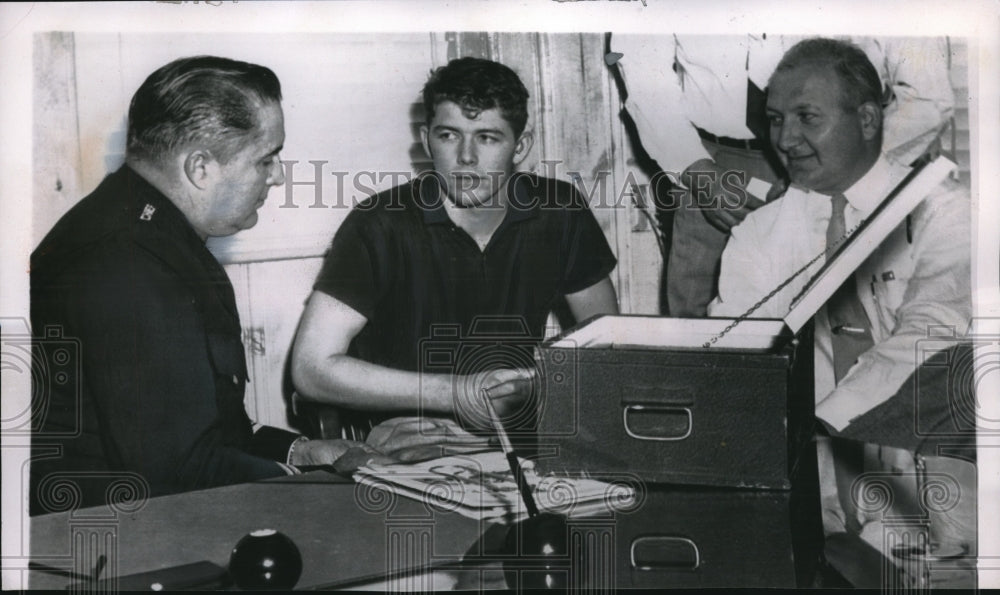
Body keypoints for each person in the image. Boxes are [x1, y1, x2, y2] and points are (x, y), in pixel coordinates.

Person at [30, 56, 386, 515]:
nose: (277, 175)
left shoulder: (148, 230)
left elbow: (210, 430)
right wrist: (317, 484)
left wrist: (299, 451)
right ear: (200, 168)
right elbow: (179, 475)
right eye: (267, 157)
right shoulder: (130, 266)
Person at [708, 39, 974, 585]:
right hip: (810, 505)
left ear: (869, 118)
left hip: (936, 495)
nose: (785, 139)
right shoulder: (758, 234)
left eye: (808, 117)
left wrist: (820, 419)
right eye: (777, 119)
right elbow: (736, 368)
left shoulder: (944, 213)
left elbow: (934, 333)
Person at [291, 57, 619, 456]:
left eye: (487, 137)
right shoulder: (379, 223)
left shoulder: (560, 211)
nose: (466, 157)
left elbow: (608, 350)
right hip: (415, 439)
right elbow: (311, 369)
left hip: (526, 435)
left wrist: (532, 387)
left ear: (522, 145)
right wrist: (456, 394)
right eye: (449, 135)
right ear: (427, 139)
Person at [610, 34, 955, 317]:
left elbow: (927, 95)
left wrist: (847, 167)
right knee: (707, 343)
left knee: (854, 327)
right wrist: (694, 168)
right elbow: (642, 68)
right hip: (713, 172)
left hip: (841, 168)